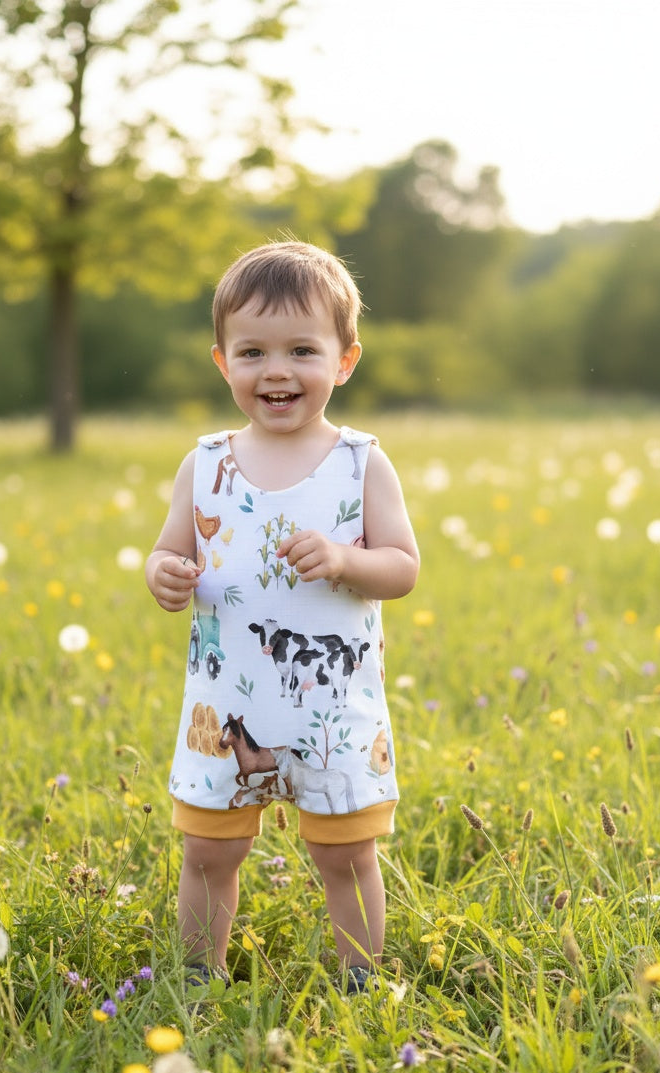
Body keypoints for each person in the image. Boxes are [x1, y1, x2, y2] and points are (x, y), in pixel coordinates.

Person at [145, 240, 419, 994]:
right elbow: (171, 550)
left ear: (345, 361)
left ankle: (360, 979)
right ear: (222, 362)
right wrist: (163, 573)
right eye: (252, 352)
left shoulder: (361, 462)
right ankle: (198, 977)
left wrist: (344, 560)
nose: (276, 371)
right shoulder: (205, 463)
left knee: (346, 855)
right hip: (224, 710)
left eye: (302, 350)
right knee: (208, 853)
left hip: (332, 711)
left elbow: (402, 566)